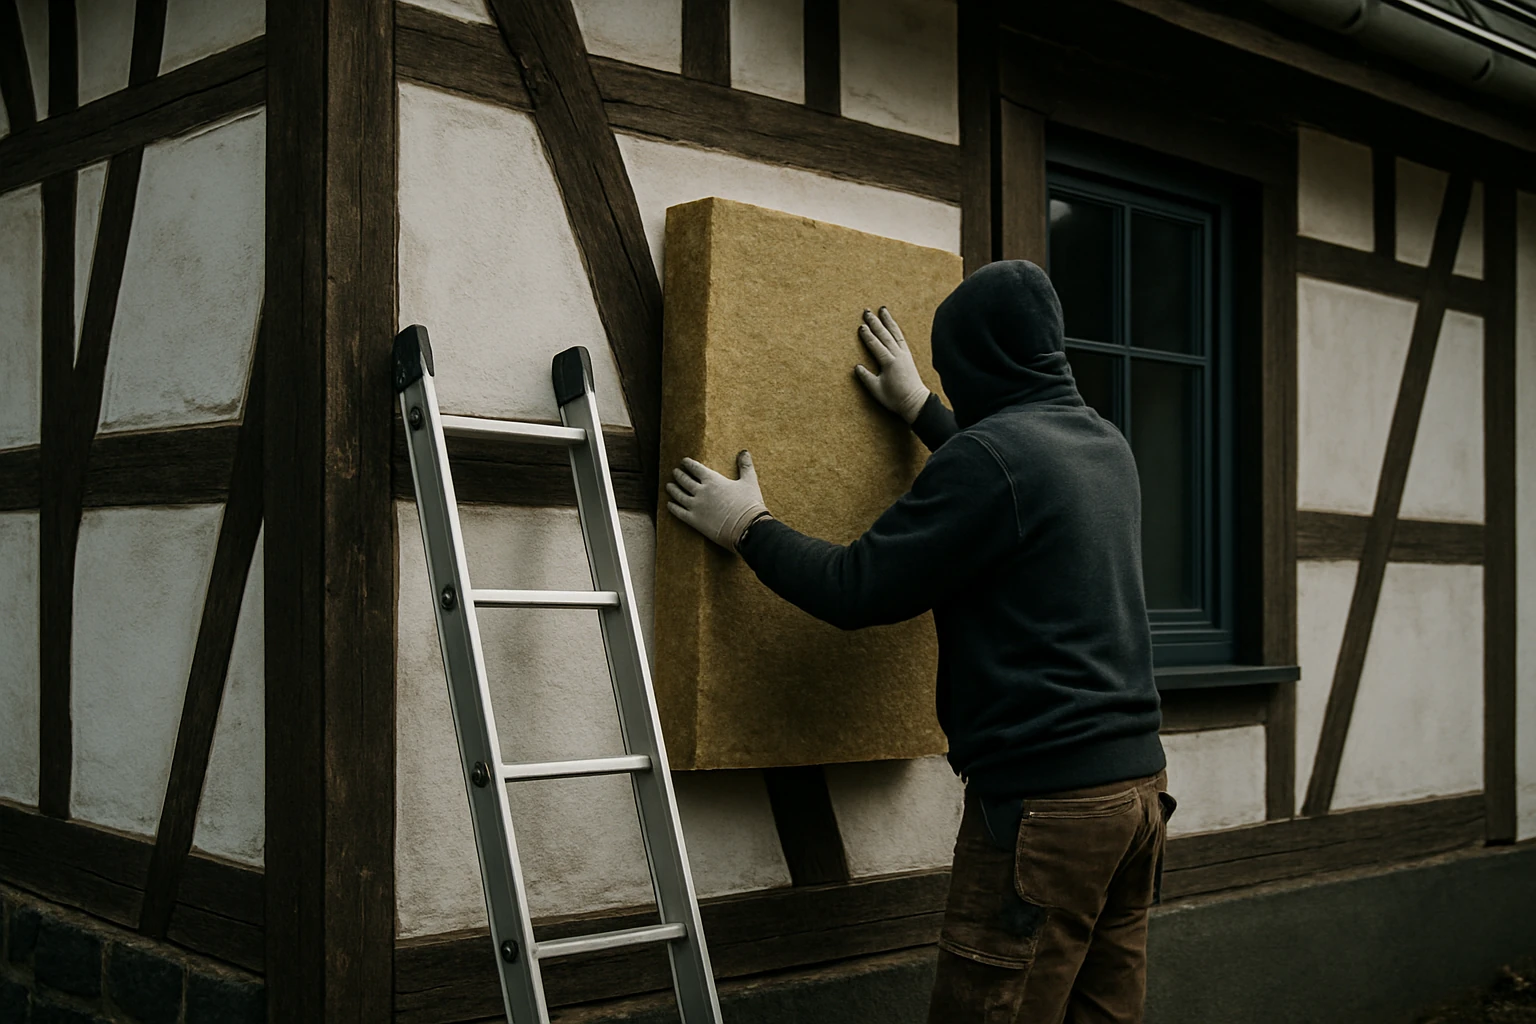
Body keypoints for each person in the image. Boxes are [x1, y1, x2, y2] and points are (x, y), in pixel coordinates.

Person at [666, 260, 1173, 1023]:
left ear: (978, 362)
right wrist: (923, 411)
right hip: (1136, 801)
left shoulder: (990, 460)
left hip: (1047, 815)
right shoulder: (1104, 445)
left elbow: (854, 588)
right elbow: (1012, 488)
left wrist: (747, 526)